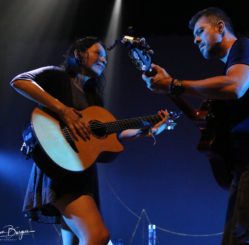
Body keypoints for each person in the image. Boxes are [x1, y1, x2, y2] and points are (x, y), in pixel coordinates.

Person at [142, 7, 249, 245]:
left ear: (220, 27)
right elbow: (202, 119)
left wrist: (175, 84)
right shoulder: (236, 66)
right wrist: (169, 89)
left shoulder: (245, 49)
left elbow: (234, 87)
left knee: (244, 240)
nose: (195, 40)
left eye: (200, 31)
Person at [10, 36, 169, 245]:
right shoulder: (58, 76)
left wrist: (147, 130)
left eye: (106, 57)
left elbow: (113, 135)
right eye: (98, 54)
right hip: (58, 168)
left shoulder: (93, 99)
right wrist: (63, 110)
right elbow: (19, 81)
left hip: (81, 173)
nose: (104, 60)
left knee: (75, 242)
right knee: (98, 236)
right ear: (79, 54)